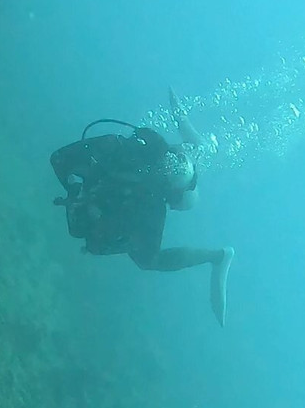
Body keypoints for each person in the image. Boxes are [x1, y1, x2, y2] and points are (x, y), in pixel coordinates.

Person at [50, 89, 234, 326]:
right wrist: (73, 187)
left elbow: (144, 257)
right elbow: (60, 158)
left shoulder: (152, 205)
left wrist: (88, 209)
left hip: (179, 185)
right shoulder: (117, 149)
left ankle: (219, 257)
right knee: (190, 146)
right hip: (160, 168)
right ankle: (182, 119)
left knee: (194, 160)